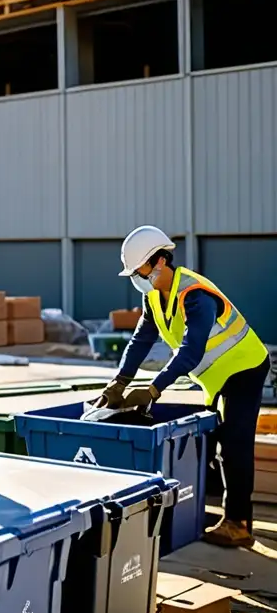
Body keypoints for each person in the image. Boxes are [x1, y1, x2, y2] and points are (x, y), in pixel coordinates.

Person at [89, 225, 272, 548]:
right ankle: (220, 511)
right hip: (217, 377)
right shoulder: (153, 298)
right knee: (213, 442)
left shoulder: (195, 295)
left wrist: (154, 389)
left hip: (244, 369)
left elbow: (191, 349)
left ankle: (239, 523)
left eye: (140, 269)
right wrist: (119, 382)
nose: (137, 277)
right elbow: (141, 340)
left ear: (160, 261)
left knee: (234, 444)